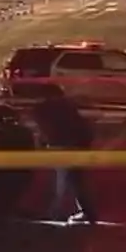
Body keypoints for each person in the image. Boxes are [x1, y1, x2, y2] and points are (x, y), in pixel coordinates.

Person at [33, 93, 98, 224]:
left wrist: (45, 143)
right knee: (74, 180)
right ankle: (84, 211)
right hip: (75, 146)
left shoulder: (47, 111)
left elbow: (46, 133)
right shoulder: (68, 112)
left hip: (65, 146)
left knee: (63, 181)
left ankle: (56, 212)